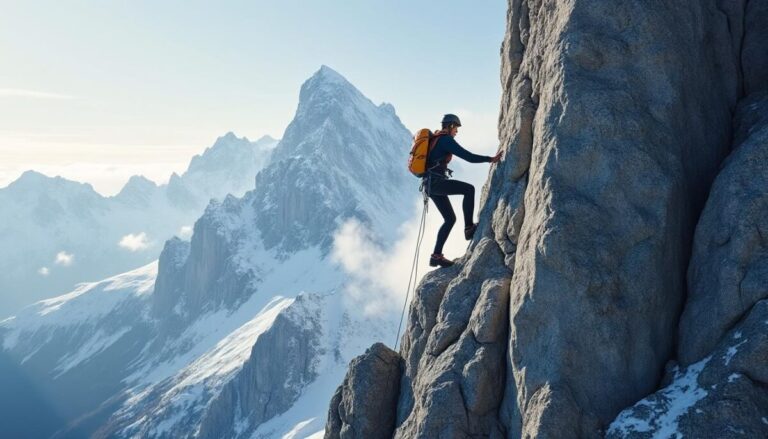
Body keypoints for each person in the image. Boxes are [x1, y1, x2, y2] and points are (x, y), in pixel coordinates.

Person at [426, 114, 502, 268]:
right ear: (450, 126)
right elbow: (468, 156)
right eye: (456, 128)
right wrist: (490, 159)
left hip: (430, 185)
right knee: (469, 189)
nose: (457, 132)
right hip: (436, 183)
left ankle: (436, 256)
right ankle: (468, 228)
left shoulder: (436, 139)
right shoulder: (445, 140)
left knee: (449, 219)